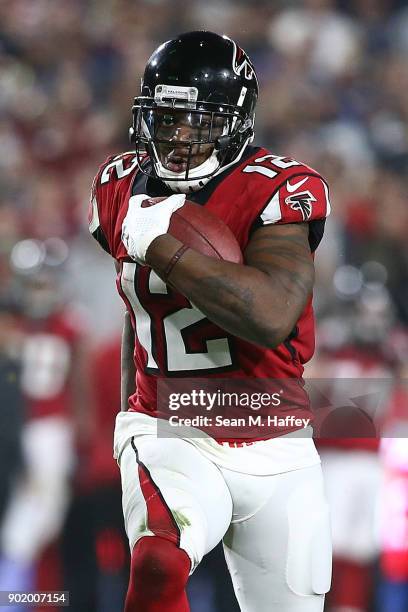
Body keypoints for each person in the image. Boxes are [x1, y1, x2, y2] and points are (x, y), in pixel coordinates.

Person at [89, 30, 332, 612]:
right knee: (156, 563)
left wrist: (166, 251)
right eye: (166, 117)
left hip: (274, 434)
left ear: (235, 120)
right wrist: (132, 423)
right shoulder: (119, 182)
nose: (177, 136)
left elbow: (272, 314)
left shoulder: (280, 188)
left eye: (197, 120)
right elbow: (138, 310)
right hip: (170, 425)